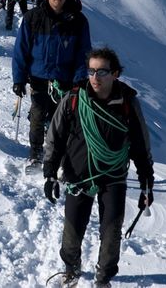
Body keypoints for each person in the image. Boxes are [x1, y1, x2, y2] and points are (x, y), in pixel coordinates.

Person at [43, 47, 155, 287]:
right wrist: (50, 173)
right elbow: (56, 138)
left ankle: (104, 277)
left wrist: (147, 183)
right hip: (78, 176)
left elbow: (140, 146)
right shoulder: (74, 99)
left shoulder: (127, 103)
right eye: (91, 71)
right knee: (72, 232)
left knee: (111, 232)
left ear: (115, 74)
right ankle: (72, 268)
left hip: (113, 177)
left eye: (102, 71)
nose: (95, 77)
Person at [12, 0, 91, 166]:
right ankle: (35, 153)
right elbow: (21, 49)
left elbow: (84, 53)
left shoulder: (78, 21)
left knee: (61, 120)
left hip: (66, 80)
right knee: (38, 116)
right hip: (38, 77)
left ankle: (57, 155)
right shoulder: (33, 18)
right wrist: (19, 79)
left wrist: (81, 79)